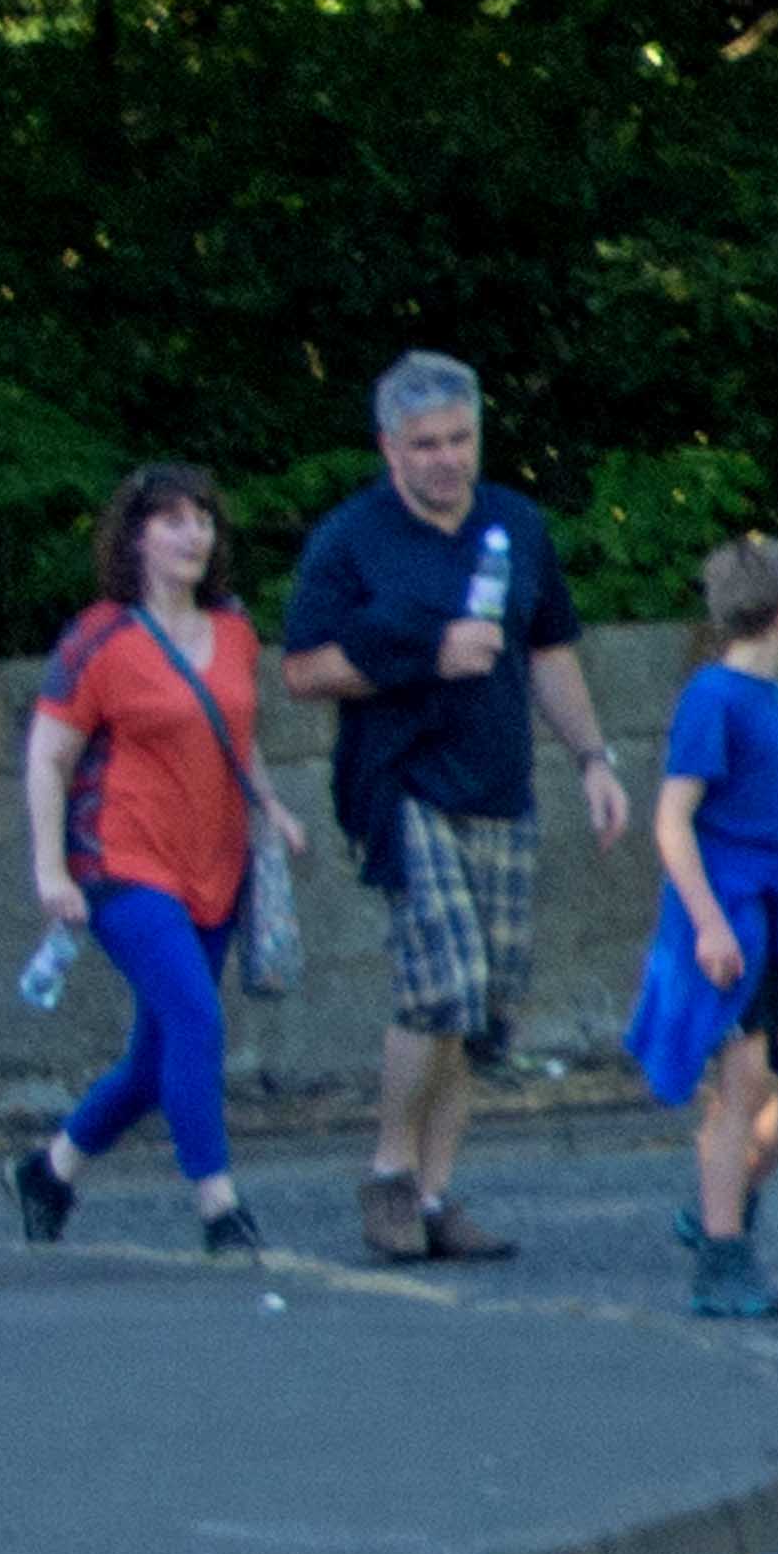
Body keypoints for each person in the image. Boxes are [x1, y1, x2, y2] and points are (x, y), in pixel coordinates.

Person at [281, 353, 630, 1266]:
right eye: (426, 444)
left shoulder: (517, 524)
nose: (446, 459)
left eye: (460, 439)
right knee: (441, 984)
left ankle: (435, 1197)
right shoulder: (352, 539)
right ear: (389, 448)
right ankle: (390, 1175)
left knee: (481, 1009)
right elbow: (303, 670)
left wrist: (593, 759)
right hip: (399, 784)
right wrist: (425, 656)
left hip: (499, 785)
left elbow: (550, 651)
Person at [13, 465, 306, 1258]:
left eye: (203, 518)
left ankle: (49, 1172)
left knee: (155, 1060)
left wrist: (271, 806)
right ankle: (219, 1206)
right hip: (123, 865)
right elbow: (47, 758)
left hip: (215, 866)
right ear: (136, 538)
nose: (193, 534)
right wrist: (51, 870)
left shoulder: (234, 632)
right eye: (172, 520)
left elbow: (237, 738)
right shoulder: (100, 638)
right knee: (196, 1021)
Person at [650, 536, 778, 1318]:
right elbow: (673, 821)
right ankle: (722, 1261)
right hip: (731, 918)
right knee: (744, 1085)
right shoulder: (714, 697)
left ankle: (716, 1207)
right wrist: (708, 927)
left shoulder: (769, 696)